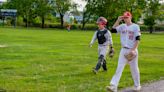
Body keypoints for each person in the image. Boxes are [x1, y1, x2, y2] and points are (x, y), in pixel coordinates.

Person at [106, 11, 141, 92]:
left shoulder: (135, 26)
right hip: (123, 50)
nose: (125, 19)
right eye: (124, 17)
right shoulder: (122, 26)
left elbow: (138, 39)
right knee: (119, 68)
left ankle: (137, 85)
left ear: (130, 17)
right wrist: (118, 20)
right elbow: (113, 30)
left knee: (134, 68)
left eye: (127, 17)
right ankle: (113, 86)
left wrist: (133, 50)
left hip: (132, 50)